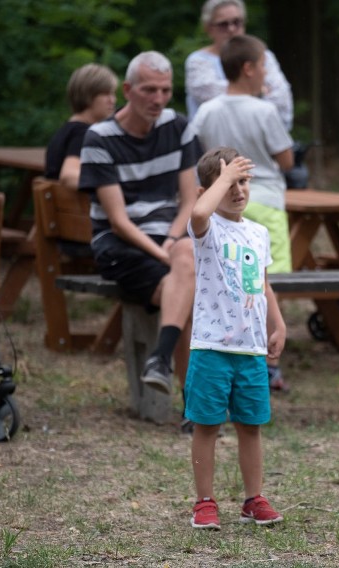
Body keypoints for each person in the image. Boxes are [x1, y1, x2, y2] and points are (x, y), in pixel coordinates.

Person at [78, 52, 202, 403]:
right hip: (122, 245)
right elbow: (118, 222)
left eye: (165, 90)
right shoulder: (99, 138)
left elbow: (189, 201)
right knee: (188, 294)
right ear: (128, 90)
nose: (158, 99)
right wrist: (165, 253)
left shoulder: (178, 126)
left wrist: (174, 240)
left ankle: (162, 362)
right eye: (149, 90)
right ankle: (192, 405)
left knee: (187, 260)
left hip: (170, 238)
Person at [185, 146, 286, 530]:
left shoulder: (257, 233)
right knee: (207, 425)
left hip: (251, 349)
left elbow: (261, 282)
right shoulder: (206, 228)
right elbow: (197, 212)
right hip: (212, 346)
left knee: (251, 425)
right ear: (209, 189)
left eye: (244, 181)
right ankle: (204, 501)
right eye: (229, 183)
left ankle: (253, 498)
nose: (238, 190)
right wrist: (222, 178)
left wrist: (277, 323)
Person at [188, 34, 294, 392]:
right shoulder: (265, 111)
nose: (266, 72)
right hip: (265, 200)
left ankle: (258, 353)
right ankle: (271, 365)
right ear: (248, 69)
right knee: (266, 278)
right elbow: (286, 159)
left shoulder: (207, 110)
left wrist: (220, 180)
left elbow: (199, 149)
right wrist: (237, 175)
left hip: (228, 204)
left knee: (249, 280)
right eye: (263, 65)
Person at [185, 0, 293, 131]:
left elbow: (282, 100)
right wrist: (260, 92)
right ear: (208, 28)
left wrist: (235, 93)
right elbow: (213, 98)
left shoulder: (264, 56)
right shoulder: (197, 61)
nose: (231, 29)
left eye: (237, 22)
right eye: (223, 24)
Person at [45, 63, 118, 188]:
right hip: (75, 207)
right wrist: (110, 188)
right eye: (106, 94)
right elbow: (69, 176)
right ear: (88, 95)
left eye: (113, 94)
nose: (113, 100)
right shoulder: (82, 134)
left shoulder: (67, 130)